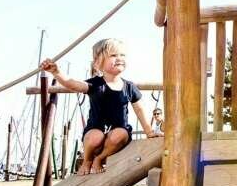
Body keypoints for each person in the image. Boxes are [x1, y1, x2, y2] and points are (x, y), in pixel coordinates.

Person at [40, 38, 160, 175]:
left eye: (122, 55)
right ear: (98, 63)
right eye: (113, 55)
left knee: (120, 133)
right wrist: (56, 72)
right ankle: (87, 160)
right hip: (95, 134)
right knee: (95, 136)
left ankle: (99, 159)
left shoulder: (129, 87)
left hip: (116, 139)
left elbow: (139, 109)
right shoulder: (95, 84)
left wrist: (149, 131)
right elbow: (72, 84)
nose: (119, 58)